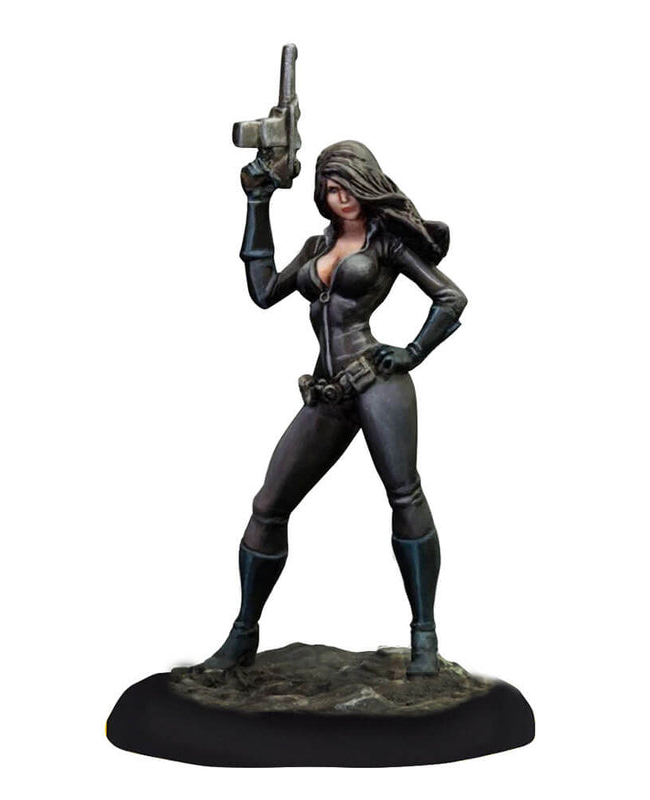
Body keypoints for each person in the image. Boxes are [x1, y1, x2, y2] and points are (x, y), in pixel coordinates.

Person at [201, 140, 467, 677]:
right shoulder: (316, 245)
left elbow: (450, 297)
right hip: (327, 390)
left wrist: (412, 352)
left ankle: (424, 636)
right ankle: (242, 635)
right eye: (329, 187)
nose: (338, 196)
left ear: (366, 184)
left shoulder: (386, 243)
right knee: (269, 504)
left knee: (404, 495)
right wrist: (257, 202)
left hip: (376, 380)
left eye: (346, 185)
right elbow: (263, 290)